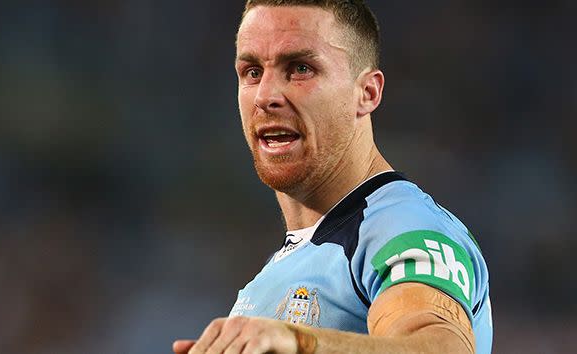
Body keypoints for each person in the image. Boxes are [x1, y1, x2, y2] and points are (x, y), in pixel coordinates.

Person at [174, 1, 492, 353]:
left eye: (299, 68)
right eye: (252, 72)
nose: (265, 96)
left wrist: (298, 343)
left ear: (367, 93)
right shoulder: (291, 263)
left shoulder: (401, 229)